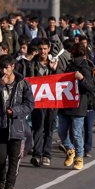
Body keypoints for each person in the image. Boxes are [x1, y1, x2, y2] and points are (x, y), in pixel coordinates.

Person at [0, 55, 35, 189]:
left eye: (6, 67)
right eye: (1, 68)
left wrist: (15, 111)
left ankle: (10, 184)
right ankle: (2, 175)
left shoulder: (22, 82)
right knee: (0, 157)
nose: (4, 71)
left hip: (16, 125)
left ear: (12, 67)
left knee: (14, 157)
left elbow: (30, 104)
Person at [61, 43, 95, 170]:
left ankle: (79, 157)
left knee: (77, 133)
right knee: (61, 131)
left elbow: (92, 88)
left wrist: (82, 78)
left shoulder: (86, 67)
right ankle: (70, 149)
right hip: (65, 104)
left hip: (79, 105)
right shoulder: (69, 66)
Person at [28, 38, 60, 166]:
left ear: (49, 49)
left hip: (52, 102)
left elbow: (60, 79)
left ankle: (46, 154)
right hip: (38, 102)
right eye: (40, 49)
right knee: (38, 128)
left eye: (45, 49)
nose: (43, 52)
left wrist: (54, 69)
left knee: (49, 128)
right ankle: (37, 154)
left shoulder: (54, 63)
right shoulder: (32, 64)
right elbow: (29, 79)